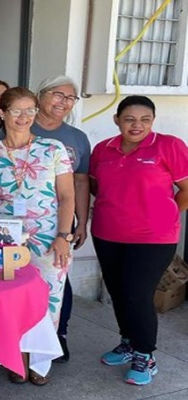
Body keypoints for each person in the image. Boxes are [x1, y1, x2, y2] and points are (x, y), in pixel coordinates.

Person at [0, 87, 75, 385]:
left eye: (30, 110)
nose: (24, 117)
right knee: (9, 300)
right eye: (16, 111)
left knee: (48, 299)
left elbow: (67, 196)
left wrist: (63, 235)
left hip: (48, 238)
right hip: (4, 239)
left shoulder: (53, 149)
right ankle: (16, 357)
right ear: (2, 113)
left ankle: (40, 361)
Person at [90, 96, 188, 386]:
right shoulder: (102, 149)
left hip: (153, 238)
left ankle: (145, 353)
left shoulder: (169, 145)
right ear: (117, 120)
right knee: (118, 292)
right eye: (130, 119)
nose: (138, 125)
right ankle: (128, 342)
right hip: (108, 232)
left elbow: (186, 188)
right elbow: (97, 186)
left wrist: (167, 212)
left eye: (145, 119)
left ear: (153, 121)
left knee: (137, 294)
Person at [0, 75, 91, 362]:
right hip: (7, 233)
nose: (64, 102)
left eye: (71, 98)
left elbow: (77, 187)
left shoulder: (69, 141)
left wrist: (73, 228)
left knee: (53, 292)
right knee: (11, 294)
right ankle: (16, 355)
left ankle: (47, 351)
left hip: (51, 229)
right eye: (59, 95)